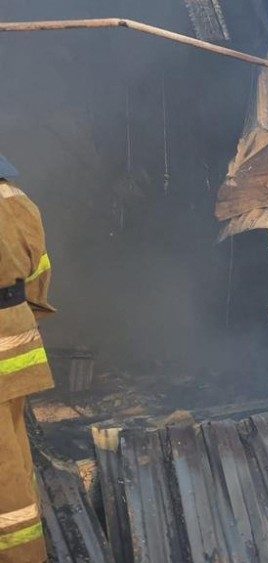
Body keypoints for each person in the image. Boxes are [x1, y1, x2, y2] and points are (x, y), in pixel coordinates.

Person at [0, 155, 54, 561]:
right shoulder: (20, 201)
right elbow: (39, 274)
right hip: (18, 342)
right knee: (14, 453)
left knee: (5, 476)